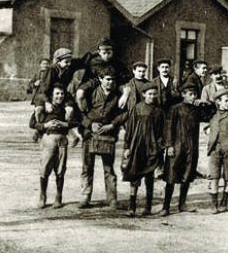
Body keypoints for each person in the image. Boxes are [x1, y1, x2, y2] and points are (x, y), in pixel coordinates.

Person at [77, 66, 128, 209]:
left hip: (108, 135)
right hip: (90, 134)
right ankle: (85, 196)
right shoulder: (91, 93)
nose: (110, 82)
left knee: (109, 168)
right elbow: (79, 112)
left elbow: (125, 113)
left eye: (112, 80)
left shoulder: (118, 96)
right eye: (107, 79)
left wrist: (113, 125)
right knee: (87, 167)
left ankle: (112, 198)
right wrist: (89, 124)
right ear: (100, 79)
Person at [161, 83, 211, 215]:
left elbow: (209, 115)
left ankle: (182, 204)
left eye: (195, 94)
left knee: (187, 175)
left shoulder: (197, 109)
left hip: (191, 147)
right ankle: (165, 207)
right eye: (190, 94)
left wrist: (205, 104)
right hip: (177, 146)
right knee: (171, 176)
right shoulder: (175, 109)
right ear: (183, 95)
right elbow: (168, 128)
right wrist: (169, 145)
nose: (193, 97)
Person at [122, 84, 164, 216]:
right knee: (134, 176)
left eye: (154, 94)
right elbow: (130, 128)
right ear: (144, 94)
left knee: (149, 177)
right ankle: (132, 207)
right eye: (149, 94)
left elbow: (162, 131)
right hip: (137, 147)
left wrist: (160, 146)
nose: (152, 96)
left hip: (152, 148)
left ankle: (148, 207)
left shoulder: (159, 111)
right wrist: (127, 147)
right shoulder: (137, 108)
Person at [30, 84, 75, 209]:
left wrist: (64, 124)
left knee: (60, 170)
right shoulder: (45, 108)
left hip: (62, 140)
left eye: (62, 94)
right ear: (52, 95)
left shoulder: (67, 109)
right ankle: (42, 196)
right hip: (48, 139)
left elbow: (76, 121)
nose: (60, 96)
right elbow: (32, 123)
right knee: (44, 169)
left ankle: (58, 197)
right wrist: (45, 125)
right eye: (57, 94)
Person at [206, 89, 228, 213]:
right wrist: (207, 130)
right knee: (214, 177)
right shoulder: (214, 116)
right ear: (218, 102)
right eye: (226, 101)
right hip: (215, 150)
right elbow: (210, 126)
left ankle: (224, 201)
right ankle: (214, 204)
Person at [27, 58, 51, 142]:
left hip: (48, 97)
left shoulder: (51, 74)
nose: (45, 65)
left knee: (47, 114)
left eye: (47, 64)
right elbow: (29, 86)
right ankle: (39, 130)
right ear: (40, 65)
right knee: (38, 112)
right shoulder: (36, 74)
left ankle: (38, 131)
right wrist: (34, 84)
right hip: (38, 97)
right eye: (43, 63)